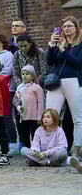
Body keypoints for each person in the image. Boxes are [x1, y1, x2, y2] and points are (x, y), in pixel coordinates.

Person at [46, 16, 82, 161]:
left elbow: (79, 63)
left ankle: (76, 151)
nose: (66, 29)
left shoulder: (80, 45)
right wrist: (51, 46)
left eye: (69, 26)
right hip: (56, 83)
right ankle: (51, 150)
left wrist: (63, 51)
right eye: (64, 27)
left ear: (76, 28)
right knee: (50, 116)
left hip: (73, 81)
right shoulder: (60, 42)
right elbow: (50, 62)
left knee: (77, 118)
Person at [14, 64, 44, 148]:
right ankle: (27, 150)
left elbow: (40, 103)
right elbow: (16, 99)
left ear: (33, 76)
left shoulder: (37, 88)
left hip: (34, 117)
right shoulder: (19, 87)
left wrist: (39, 117)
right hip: (23, 116)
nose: (24, 76)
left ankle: (36, 149)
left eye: (27, 74)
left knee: (35, 134)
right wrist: (18, 107)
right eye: (23, 74)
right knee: (24, 134)